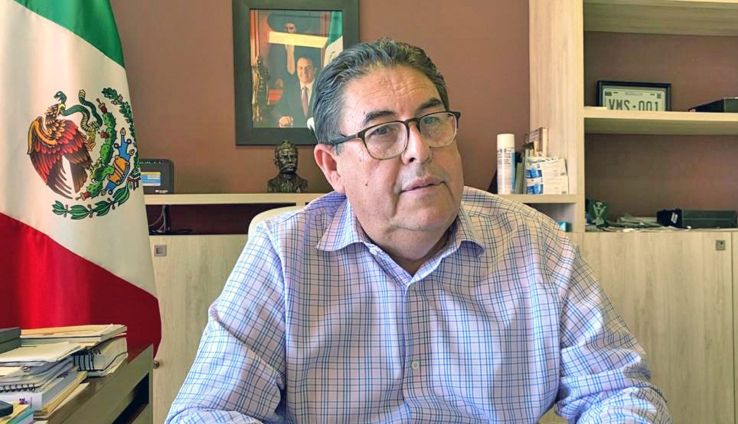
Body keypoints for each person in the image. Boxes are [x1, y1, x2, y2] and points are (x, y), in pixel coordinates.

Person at [166, 38, 671, 423]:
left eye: (431, 122)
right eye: (382, 132)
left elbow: (619, 392)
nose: (420, 149)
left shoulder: (537, 244)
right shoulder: (283, 252)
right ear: (333, 167)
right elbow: (207, 411)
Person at [275, 56, 316, 128]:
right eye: (300, 68)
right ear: (297, 70)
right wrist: (281, 118)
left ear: (314, 70)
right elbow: (277, 110)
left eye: (308, 68)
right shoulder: (290, 89)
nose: (304, 71)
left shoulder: (324, 89)